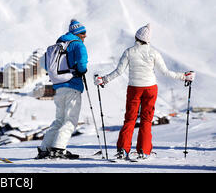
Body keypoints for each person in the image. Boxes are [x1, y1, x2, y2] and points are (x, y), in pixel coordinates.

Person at [94, 24, 195, 159]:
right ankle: (144, 151)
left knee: (130, 119)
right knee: (146, 120)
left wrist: (104, 80)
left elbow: (118, 72)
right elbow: (165, 72)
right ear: (148, 40)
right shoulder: (154, 52)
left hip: (134, 89)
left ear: (136, 37)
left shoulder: (129, 51)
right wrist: (184, 76)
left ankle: (123, 150)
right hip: (150, 88)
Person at [36, 19, 88, 159]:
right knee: (70, 120)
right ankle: (59, 149)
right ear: (77, 33)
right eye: (83, 33)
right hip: (73, 85)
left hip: (58, 87)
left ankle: (45, 148)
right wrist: (81, 70)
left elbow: (45, 64)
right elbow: (82, 63)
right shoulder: (77, 45)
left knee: (59, 119)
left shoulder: (58, 46)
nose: (85, 36)